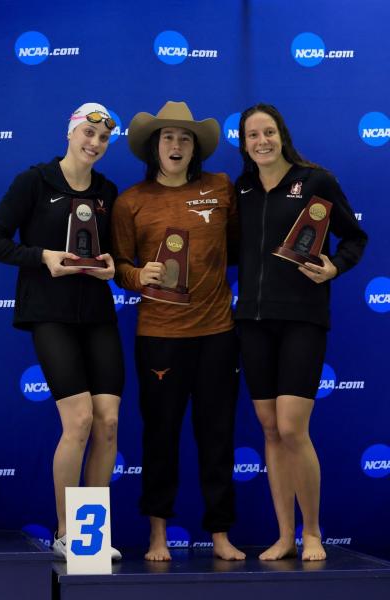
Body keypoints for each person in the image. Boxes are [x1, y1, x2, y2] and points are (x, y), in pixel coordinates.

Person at [0, 103, 123, 560]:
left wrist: (111, 267)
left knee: (108, 423)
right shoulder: (35, 181)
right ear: (70, 132)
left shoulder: (108, 191)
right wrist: (43, 257)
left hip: (98, 315)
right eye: (88, 133)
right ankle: (69, 533)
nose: (94, 144)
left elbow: (115, 256)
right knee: (79, 420)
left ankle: (93, 537)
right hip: (49, 314)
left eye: (103, 139)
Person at [111, 101, 244, 561]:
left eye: (185, 138)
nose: (176, 145)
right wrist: (136, 276)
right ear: (154, 145)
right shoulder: (130, 201)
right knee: (160, 436)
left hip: (218, 334)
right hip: (159, 336)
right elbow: (120, 267)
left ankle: (222, 534)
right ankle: (157, 536)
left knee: (218, 435)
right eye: (168, 137)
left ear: (196, 148)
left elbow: (243, 247)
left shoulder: (221, 188)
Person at [235, 104, 366, 561]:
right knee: (270, 430)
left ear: (281, 135)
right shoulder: (243, 189)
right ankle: (284, 535)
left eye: (268, 132)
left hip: (302, 319)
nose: (262, 141)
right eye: (252, 135)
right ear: (244, 144)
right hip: (251, 322)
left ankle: (313, 533)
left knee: (292, 428)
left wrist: (335, 266)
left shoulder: (316, 182)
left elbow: (355, 238)